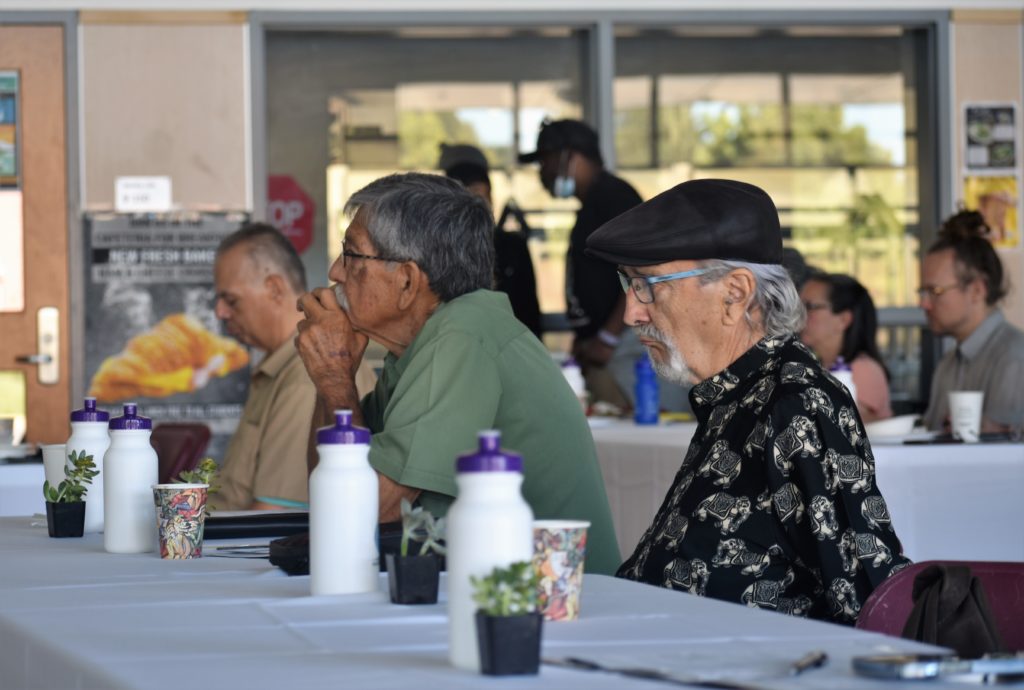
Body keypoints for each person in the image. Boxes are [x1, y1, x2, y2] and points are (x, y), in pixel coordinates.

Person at [586, 178, 910, 625]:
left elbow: (866, 602)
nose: (631, 312)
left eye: (647, 285)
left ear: (734, 294)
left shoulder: (796, 404)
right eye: (628, 283)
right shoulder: (734, 396)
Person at [294, 172, 620, 574]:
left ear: (408, 281)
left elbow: (370, 507)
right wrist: (331, 378)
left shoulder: (463, 335)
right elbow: (330, 488)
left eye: (351, 254)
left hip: (555, 606)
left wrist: (335, 378)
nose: (335, 272)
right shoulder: (424, 345)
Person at [520, 119, 643, 407]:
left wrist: (608, 338)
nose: (543, 172)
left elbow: (640, 271)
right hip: (598, 351)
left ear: (569, 155)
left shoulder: (615, 197)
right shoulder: (591, 203)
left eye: (545, 161)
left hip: (620, 351)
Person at [211, 223, 318, 510]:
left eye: (230, 300)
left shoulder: (307, 374)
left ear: (274, 289)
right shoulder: (279, 367)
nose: (220, 312)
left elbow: (273, 516)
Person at [920, 210, 1024, 432]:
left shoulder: (1014, 358)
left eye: (934, 291)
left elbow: (1010, 457)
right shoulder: (948, 363)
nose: (925, 304)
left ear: (977, 290)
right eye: (923, 292)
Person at [438, 143, 542, 337]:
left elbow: (529, 310)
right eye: (466, 198)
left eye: (481, 195)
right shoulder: (438, 251)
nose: (476, 207)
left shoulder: (512, 247)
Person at [800, 272, 893, 423]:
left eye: (810, 307)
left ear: (844, 319)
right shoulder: (817, 367)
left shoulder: (863, 370)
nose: (799, 314)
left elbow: (850, 426)